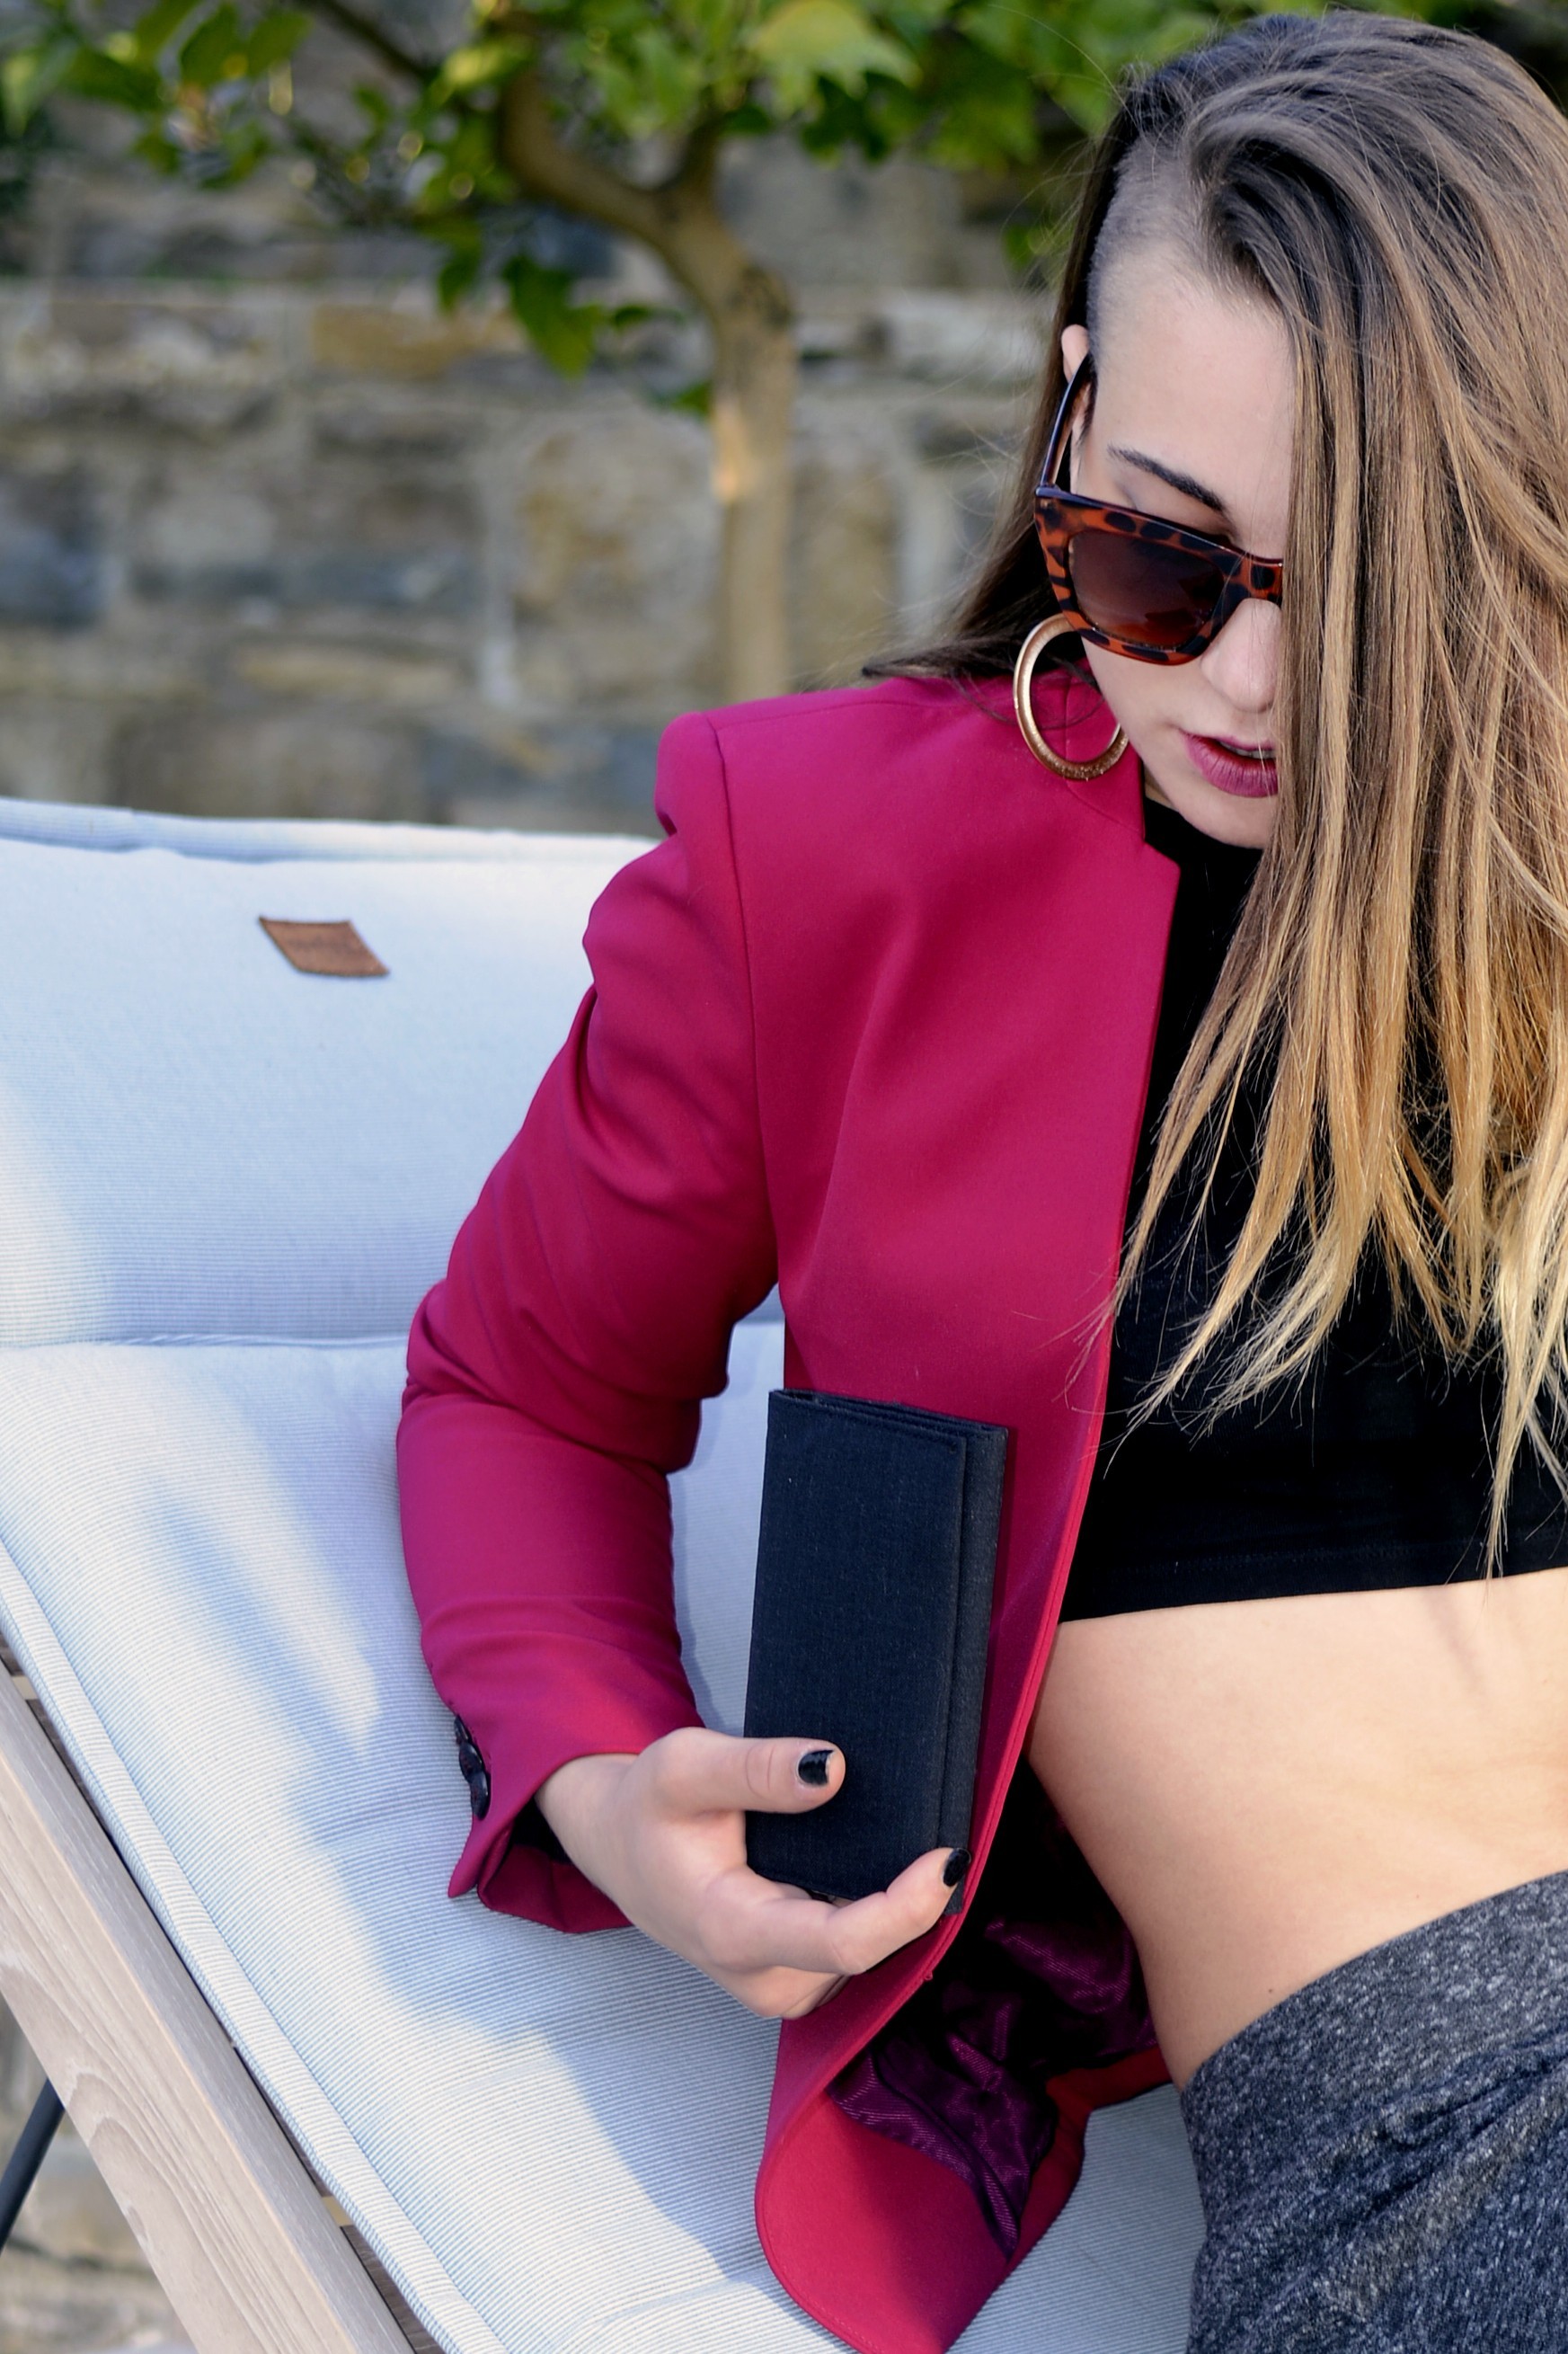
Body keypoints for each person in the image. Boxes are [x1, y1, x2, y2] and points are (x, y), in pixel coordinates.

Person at [397, 14, 1568, 2350]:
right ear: (1066, 407)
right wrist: (604, 1772)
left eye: (1361, 597)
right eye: (1159, 558)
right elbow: (520, 1390)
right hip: (1432, 2146)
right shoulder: (834, 859)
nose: (1248, 680)